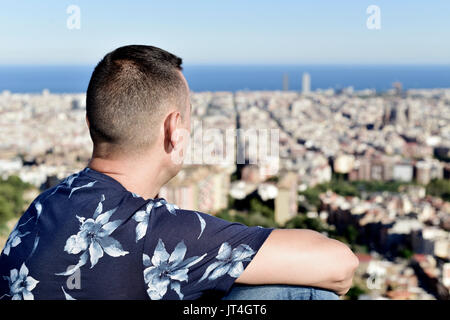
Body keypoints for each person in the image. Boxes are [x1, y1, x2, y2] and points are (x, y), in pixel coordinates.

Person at [0, 45, 358, 300]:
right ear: (174, 130)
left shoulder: (43, 206)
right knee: (301, 291)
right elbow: (339, 265)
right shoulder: (152, 232)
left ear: (91, 123)